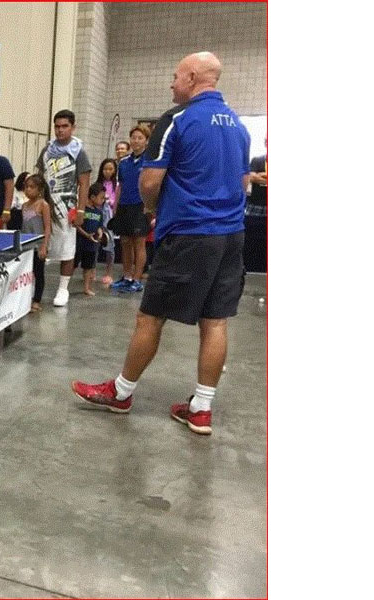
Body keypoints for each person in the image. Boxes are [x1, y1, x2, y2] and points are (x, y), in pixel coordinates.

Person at [71, 51, 251, 436]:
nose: (171, 83)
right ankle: (201, 408)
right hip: (231, 235)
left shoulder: (177, 120)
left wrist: (152, 209)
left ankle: (121, 393)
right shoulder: (238, 126)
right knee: (215, 321)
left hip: (189, 233)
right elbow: (243, 183)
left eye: (175, 76)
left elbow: (150, 181)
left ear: (192, 77)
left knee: (150, 316)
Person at [37, 109, 92, 307]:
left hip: (67, 206)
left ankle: (63, 288)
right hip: (46, 205)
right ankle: (37, 287)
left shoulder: (79, 152)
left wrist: (81, 211)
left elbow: (84, 184)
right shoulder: (47, 150)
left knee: (66, 248)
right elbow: (39, 177)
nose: (60, 130)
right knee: (42, 245)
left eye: (64, 126)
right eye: (57, 126)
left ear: (73, 127)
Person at [109, 124, 153, 293]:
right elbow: (120, 185)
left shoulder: (150, 160)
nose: (136, 141)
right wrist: (116, 206)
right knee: (125, 242)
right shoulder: (124, 162)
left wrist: (151, 208)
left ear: (146, 141)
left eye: (140, 138)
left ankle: (137, 279)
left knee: (139, 243)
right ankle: (127, 277)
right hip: (124, 206)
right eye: (133, 137)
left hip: (141, 206)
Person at [20, 174, 52, 311]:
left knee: (39, 273)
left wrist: (44, 246)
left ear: (39, 189)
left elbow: (47, 227)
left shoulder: (43, 205)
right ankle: (26, 297)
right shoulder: (24, 206)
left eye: (32, 187)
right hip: (26, 246)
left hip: (38, 246)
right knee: (27, 272)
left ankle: (37, 300)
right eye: (26, 187)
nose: (28, 190)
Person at [73, 182, 107, 296]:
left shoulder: (99, 212)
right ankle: (65, 285)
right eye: (101, 198)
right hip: (79, 242)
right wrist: (86, 235)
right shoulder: (82, 210)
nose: (103, 200)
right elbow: (76, 225)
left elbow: (99, 226)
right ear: (92, 197)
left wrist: (100, 233)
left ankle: (86, 288)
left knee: (88, 267)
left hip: (91, 244)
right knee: (73, 264)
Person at [94, 158, 119, 285]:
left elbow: (117, 201)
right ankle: (92, 270)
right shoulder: (98, 184)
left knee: (110, 244)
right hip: (98, 215)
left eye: (110, 169)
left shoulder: (117, 185)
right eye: (105, 169)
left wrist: (110, 202)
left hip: (109, 217)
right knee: (95, 242)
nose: (107, 171)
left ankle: (109, 273)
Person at [244, 141, 267, 272]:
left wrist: (260, 176)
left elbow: (255, 176)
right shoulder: (257, 160)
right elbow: (251, 177)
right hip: (254, 210)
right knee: (252, 246)